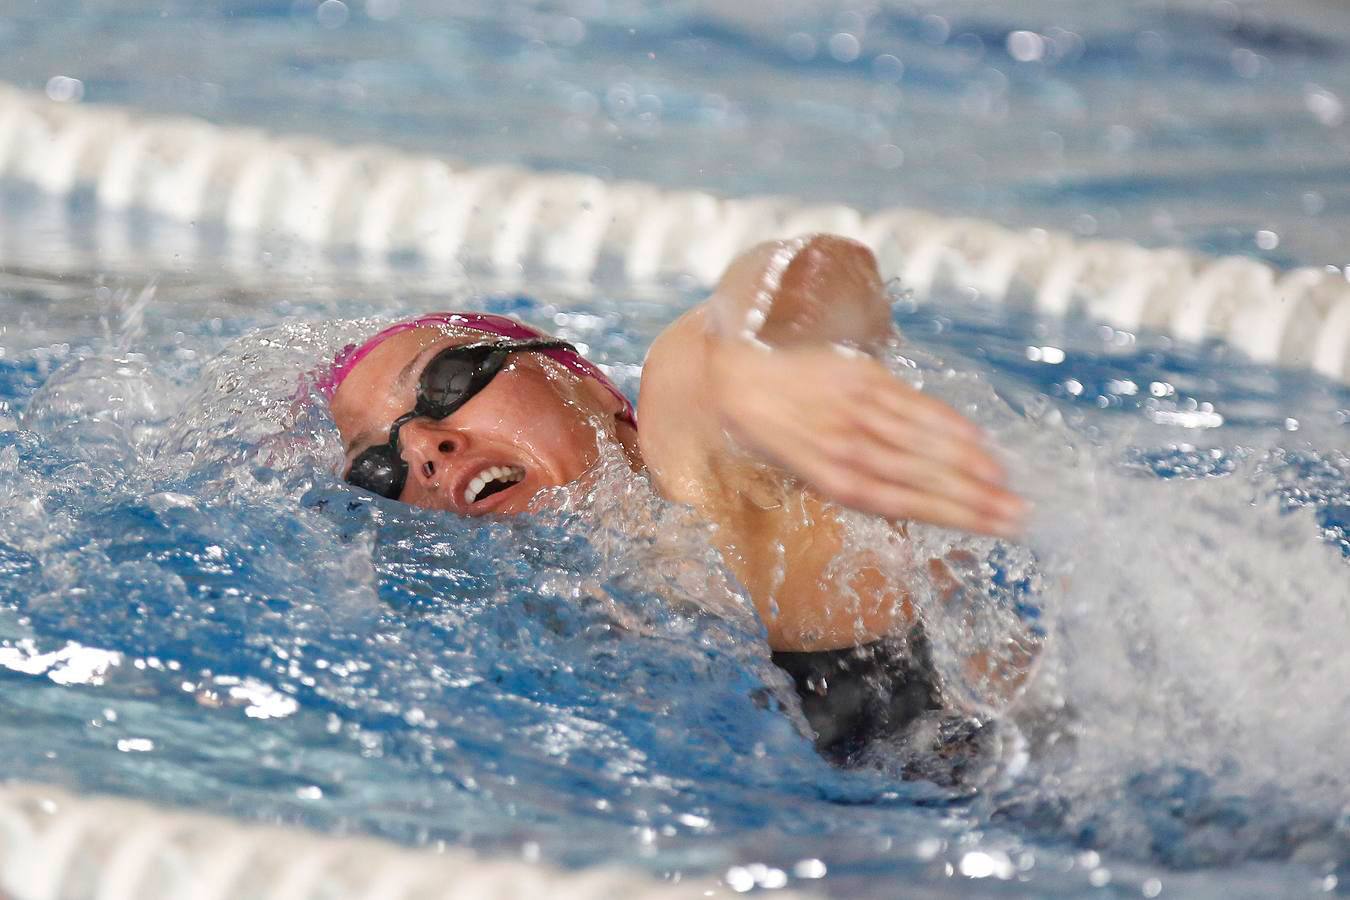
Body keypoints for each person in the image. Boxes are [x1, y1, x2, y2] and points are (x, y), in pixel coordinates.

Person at [323, 234, 1028, 762]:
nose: (422, 446)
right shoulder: (559, 626)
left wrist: (761, 363)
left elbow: (792, 280)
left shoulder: (697, 474)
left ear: (590, 383)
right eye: (378, 466)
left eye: (447, 383)